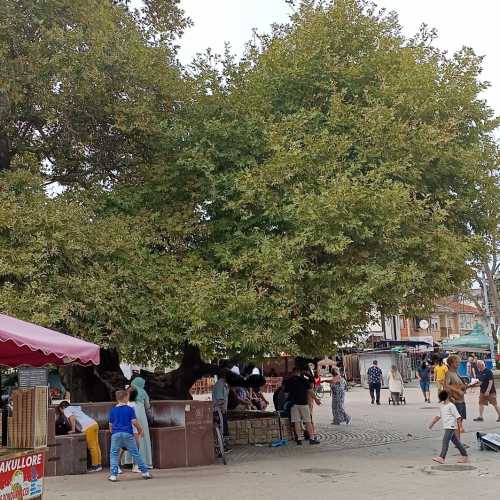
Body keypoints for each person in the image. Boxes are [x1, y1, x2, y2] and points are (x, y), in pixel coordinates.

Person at [108, 390, 152, 482]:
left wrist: (113, 432)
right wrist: (140, 430)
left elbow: (110, 425)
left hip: (116, 434)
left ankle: (113, 475)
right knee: (135, 453)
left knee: (114, 454)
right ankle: (145, 472)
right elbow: (134, 422)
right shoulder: (129, 409)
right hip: (128, 433)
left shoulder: (113, 410)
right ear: (125, 398)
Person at [59, 401, 102, 472]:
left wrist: (72, 430)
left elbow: (72, 418)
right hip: (94, 424)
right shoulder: (75, 408)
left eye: (61, 410)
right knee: (96, 446)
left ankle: (95, 466)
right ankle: (99, 465)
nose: (62, 413)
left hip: (88, 427)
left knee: (92, 447)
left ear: (62, 408)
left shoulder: (66, 410)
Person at [429, 390, 468, 464]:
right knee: (457, 443)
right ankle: (465, 456)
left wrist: (461, 427)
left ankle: (442, 457)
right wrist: (432, 423)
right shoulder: (442, 406)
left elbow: (458, 417)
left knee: (445, 441)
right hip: (447, 426)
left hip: (451, 426)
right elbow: (438, 416)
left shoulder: (451, 406)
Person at [284, 366, 320, 445]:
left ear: (293, 372)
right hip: (304, 403)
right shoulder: (304, 380)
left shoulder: (288, 381)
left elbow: (286, 395)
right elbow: (310, 391)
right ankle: (311, 438)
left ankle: (299, 439)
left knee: (296, 422)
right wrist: (316, 400)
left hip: (293, 404)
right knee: (308, 421)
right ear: (299, 372)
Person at [122, 377, 153, 470]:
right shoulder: (143, 392)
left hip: (128, 412)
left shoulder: (129, 389)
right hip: (140, 413)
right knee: (142, 436)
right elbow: (147, 406)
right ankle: (145, 461)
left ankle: (129, 461)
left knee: (130, 435)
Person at [444, 354, 467, 438]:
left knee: (460, 420)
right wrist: (457, 391)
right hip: (456, 401)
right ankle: (458, 442)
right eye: (457, 362)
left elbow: (458, 385)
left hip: (461, 400)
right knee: (457, 421)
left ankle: (457, 440)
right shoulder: (448, 373)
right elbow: (446, 385)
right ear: (451, 363)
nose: (458, 364)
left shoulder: (456, 373)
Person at [212, 369, 231, 451]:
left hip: (221, 410)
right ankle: (222, 448)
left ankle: (223, 447)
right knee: (221, 429)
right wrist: (223, 409)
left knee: (223, 428)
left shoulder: (223, 384)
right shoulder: (220, 384)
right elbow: (220, 399)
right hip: (219, 410)